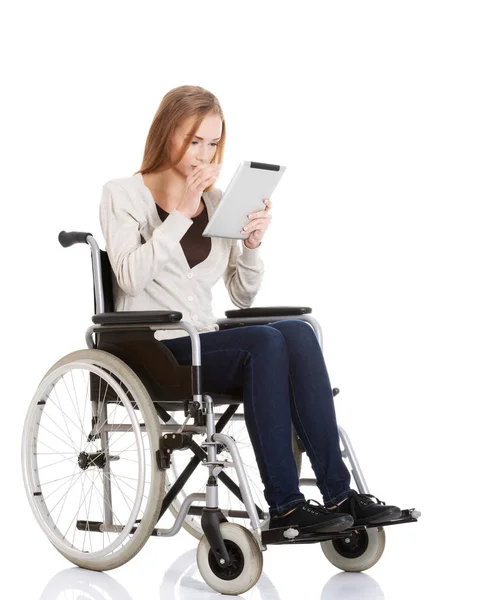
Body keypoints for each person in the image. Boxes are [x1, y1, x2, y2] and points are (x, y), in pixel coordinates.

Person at [99, 84, 401, 534]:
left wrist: (253, 246)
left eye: (213, 142)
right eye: (193, 139)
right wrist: (180, 214)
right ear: (166, 134)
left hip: (205, 342)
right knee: (264, 340)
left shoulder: (217, 201)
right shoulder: (122, 194)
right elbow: (129, 276)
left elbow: (241, 295)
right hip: (155, 347)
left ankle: (340, 495)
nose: (204, 154)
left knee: (297, 331)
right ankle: (285, 507)